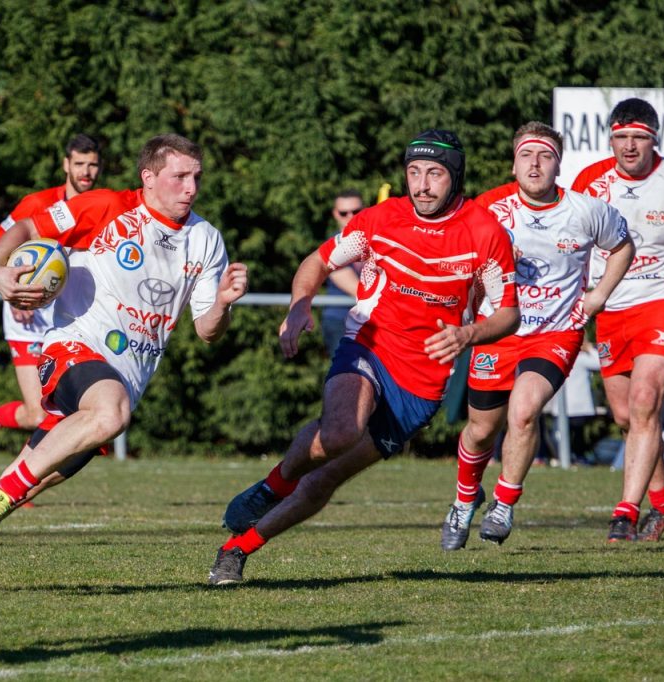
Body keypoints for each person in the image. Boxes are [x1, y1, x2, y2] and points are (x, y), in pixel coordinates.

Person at [0, 133, 246, 595]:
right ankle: (5, 491)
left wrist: (222, 302)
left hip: (126, 377)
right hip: (74, 349)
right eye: (180, 176)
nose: (191, 187)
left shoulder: (205, 239)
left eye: (196, 177)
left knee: (24, 481)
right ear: (149, 178)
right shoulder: (106, 206)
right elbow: (22, 231)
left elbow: (206, 330)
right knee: (110, 415)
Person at [208, 130, 519, 585]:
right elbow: (317, 262)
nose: (422, 185)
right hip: (369, 344)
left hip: (420, 386)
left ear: (455, 178)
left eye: (434, 174)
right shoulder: (379, 219)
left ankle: (237, 550)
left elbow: (509, 312)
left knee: (324, 481)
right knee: (340, 431)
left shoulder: (484, 232)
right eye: (414, 172)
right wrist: (299, 308)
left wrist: (469, 333)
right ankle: (273, 485)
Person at [439, 122, 633, 551]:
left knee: (524, 411)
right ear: (514, 162)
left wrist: (599, 294)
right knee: (479, 430)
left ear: (558, 165)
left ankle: (505, 503)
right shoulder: (488, 209)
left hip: (555, 333)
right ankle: (464, 499)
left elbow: (622, 245)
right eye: (527, 155)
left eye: (545, 156)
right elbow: (456, 255)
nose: (535, 163)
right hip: (497, 331)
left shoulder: (586, 210)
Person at [572, 98, 664, 542]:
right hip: (610, 307)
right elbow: (576, 241)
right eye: (620, 137)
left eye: (638, 137)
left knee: (644, 401)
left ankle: (625, 511)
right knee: (626, 415)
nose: (628, 146)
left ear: (654, 138)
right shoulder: (591, 181)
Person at [0, 134, 101, 468]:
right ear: (66, 164)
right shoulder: (38, 204)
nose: (86, 171)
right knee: (36, 412)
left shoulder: (101, 205)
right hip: (26, 310)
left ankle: (22, 473)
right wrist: (10, 290)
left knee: (66, 408)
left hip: (71, 316)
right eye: (79, 164)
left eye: (93, 164)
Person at [320, 189, 365, 356]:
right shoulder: (331, 246)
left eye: (356, 211)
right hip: (340, 321)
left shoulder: (379, 241)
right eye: (343, 213)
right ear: (335, 214)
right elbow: (357, 290)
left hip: (374, 322)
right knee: (347, 378)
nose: (350, 216)